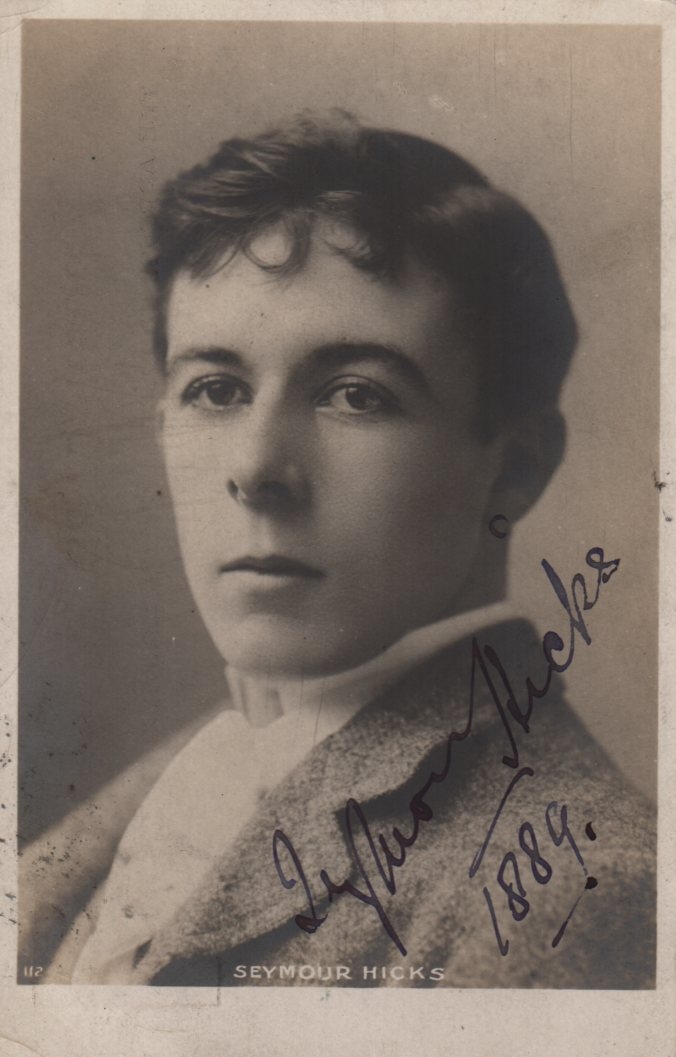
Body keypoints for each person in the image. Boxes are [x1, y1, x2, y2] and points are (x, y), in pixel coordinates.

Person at [22, 111, 655, 987]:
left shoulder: (583, 890)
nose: (254, 468)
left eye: (356, 395)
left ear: (514, 468)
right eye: (215, 389)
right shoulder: (176, 784)